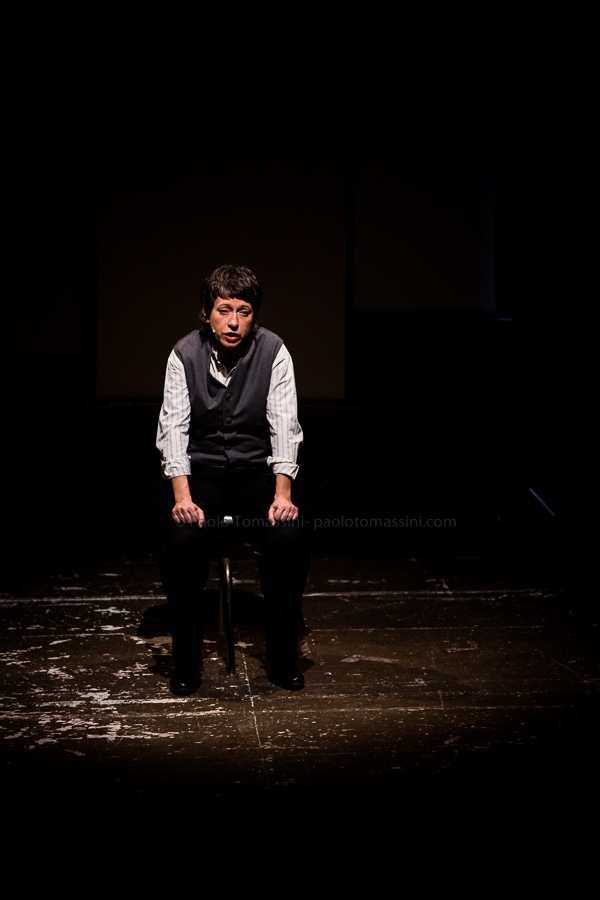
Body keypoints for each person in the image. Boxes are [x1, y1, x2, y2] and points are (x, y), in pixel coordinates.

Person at [156, 264, 308, 695]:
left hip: (254, 473)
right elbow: (173, 428)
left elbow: (284, 424)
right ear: (206, 313)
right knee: (182, 541)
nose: (234, 322)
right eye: (225, 311)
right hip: (201, 475)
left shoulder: (273, 351)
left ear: (254, 315)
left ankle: (282, 659)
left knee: (289, 536)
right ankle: (186, 661)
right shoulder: (183, 354)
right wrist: (183, 497)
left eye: (244, 311)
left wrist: (282, 494)